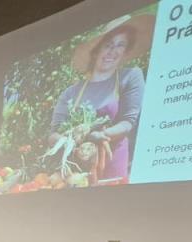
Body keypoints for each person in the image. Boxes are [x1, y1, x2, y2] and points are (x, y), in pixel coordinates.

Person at [50, 14, 152, 184]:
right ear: (96, 50)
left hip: (112, 164)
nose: (113, 51)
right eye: (108, 45)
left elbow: (128, 122)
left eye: (120, 45)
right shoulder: (70, 92)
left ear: (126, 51)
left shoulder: (131, 76)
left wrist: (101, 135)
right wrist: (72, 142)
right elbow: (53, 134)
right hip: (73, 169)